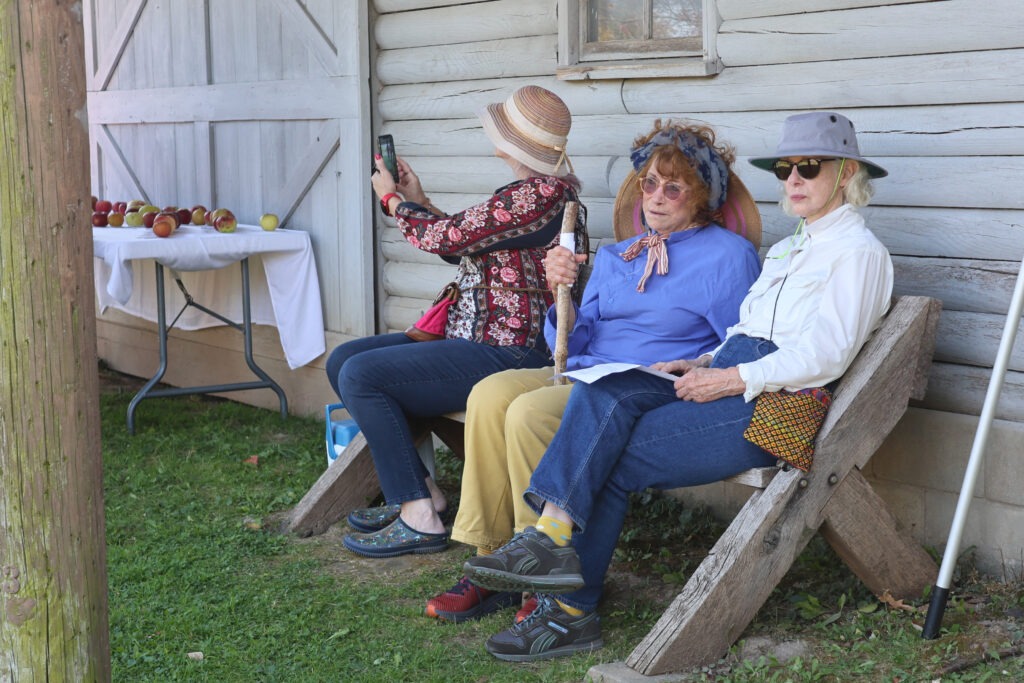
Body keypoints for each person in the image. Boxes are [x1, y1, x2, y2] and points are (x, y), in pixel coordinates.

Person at [462, 111, 894, 661]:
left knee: (610, 459)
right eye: (786, 169)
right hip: (729, 374)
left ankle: (571, 613)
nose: (794, 180)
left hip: (771, 405)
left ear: (846, 172)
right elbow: (745, 328)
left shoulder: (857, 254)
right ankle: (548, 537)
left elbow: (824, 354)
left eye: (809, 167)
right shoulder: (795, 247)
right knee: (607, 387)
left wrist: (730, 376)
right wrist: (701, 360)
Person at [423, 120, 763, 623]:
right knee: (489, 395)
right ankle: (489, 557)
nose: (657, 196)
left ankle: (534, 571)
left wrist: (698, 367)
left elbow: (738, 342)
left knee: (528, 412)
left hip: (643, 386)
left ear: (702, 198)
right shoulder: (616, 255)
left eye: (675, 187)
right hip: (583, 370)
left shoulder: (727, 256)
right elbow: (573, 340)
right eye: (650, 183)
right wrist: (564, 294)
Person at [329, 85, 587, 559]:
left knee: (361, 375)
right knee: (344, 358)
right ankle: (424, 491)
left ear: (509, 143)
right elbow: (462, 244)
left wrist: (392, 201)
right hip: (476, 338)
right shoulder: (538, 193)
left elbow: (441, 238)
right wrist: (419, 199)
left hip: (510, 349)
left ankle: (419, 514)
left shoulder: (533, 195)